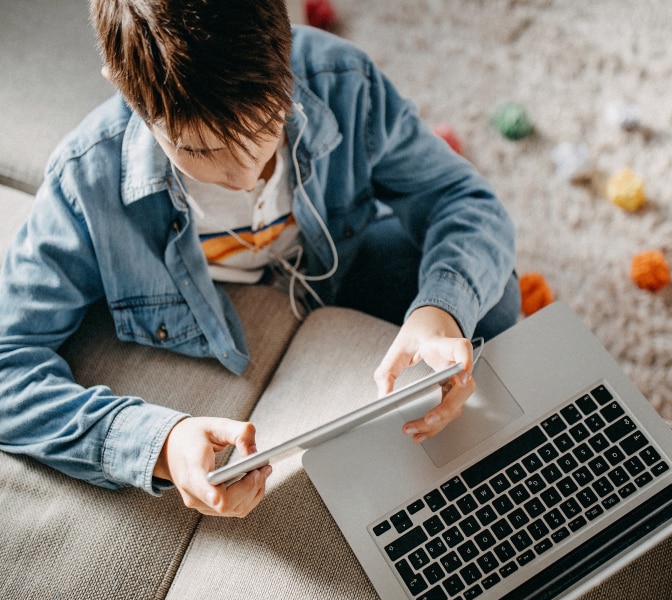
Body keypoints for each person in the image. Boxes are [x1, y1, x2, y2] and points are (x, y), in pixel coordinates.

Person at [0, 0, 519, 517]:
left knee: (490, 301)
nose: (245, 173)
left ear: (286, 54)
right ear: (130, 97)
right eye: (200, 151)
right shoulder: (84, 184)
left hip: (343, 259)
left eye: (267, 123)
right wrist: (161, 445)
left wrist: (440, 311)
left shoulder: (342, 79)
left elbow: (463, 199)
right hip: (231, 310)